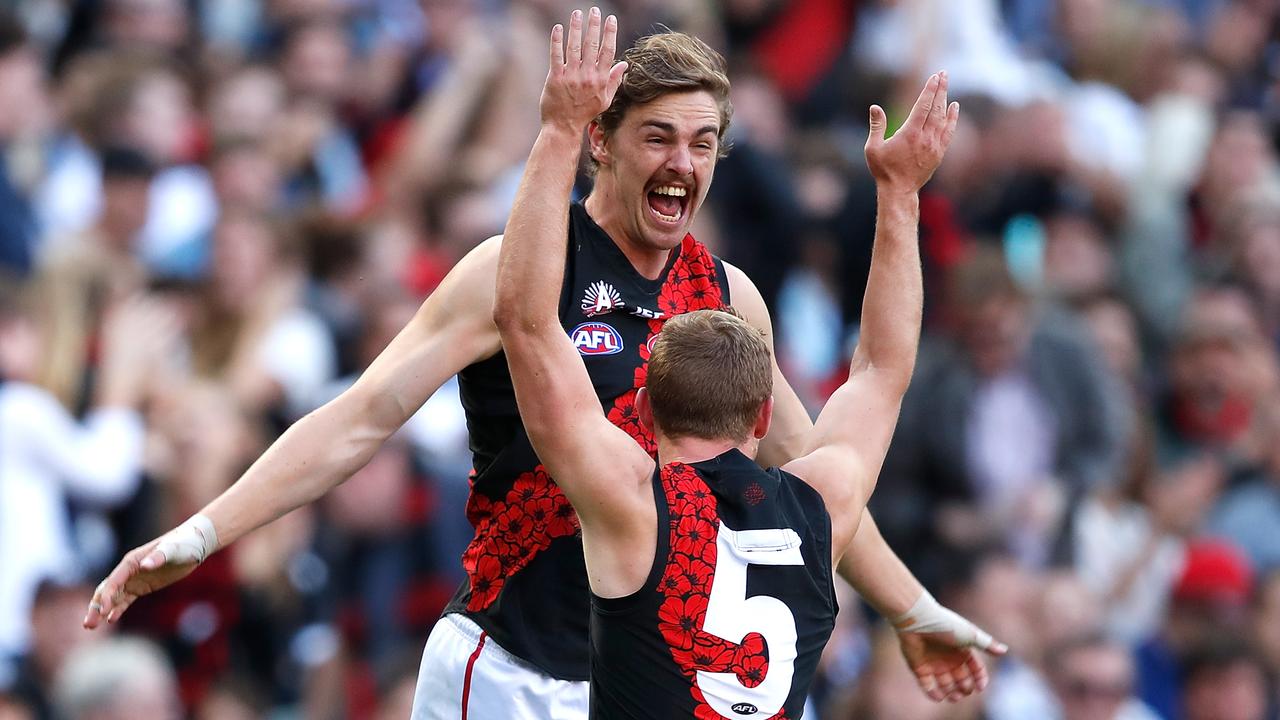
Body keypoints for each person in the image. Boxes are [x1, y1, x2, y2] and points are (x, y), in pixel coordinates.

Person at [85, 9, 999, 715]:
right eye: (659, 137)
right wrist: (202, 532)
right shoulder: (517, 266)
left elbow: (809, 489)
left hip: (644, 682)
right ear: (600, 139)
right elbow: (360, 419)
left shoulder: (730, 297)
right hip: (510, 665)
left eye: (705, 142)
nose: (683, 163)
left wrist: (911, 608)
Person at [488, 12, 1001, 717]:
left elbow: (525, 321)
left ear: (640, 412)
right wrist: (900, 194)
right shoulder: (823, 513)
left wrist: (556, 131)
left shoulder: (629, 510)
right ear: (765, 414)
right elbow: (883, 368)